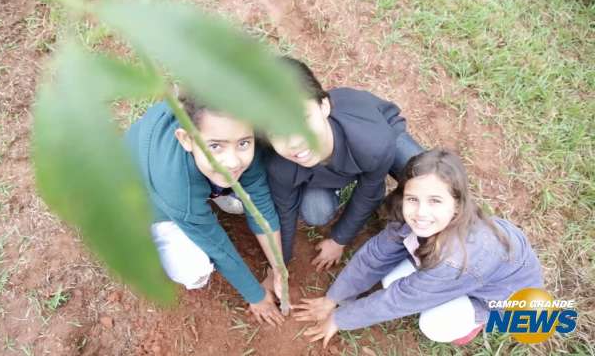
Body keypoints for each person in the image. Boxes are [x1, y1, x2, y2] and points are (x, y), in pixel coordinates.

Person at [292, 149, 543, 346]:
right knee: (391, 279)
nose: (421, 213)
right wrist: (333, 298)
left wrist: (339, 319)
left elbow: (399, 300)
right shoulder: (415, 218)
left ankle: (476, 322)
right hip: (463, 272)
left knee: (434, 325)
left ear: (457, 204)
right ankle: (442, 292)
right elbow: (373, 257)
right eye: (413, 199)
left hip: (497, 298)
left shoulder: (457, 257)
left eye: (435, 201)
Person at [125, 95, 285, 325]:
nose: (232, 161)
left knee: (239, 189)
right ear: (186, 139)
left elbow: (260, 202)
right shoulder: (175, 184)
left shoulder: (237, 131)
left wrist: (278, 268)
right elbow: (217, 246)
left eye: (243, 143)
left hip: (192, 172)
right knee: (194, 269)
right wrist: (256, 296)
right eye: (215, 146)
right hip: (145, 200)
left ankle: (214, 187)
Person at [266, 56, 424, 270]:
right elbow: (285, 213)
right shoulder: (279, 165)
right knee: (315, 212)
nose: (294, 141)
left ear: (324, 106)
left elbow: (369, 192)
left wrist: (339, 240)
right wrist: (278, 268)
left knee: (425, 176)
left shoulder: (373, 143)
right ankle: (339, 184)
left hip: (381, 133)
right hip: (333, 162)